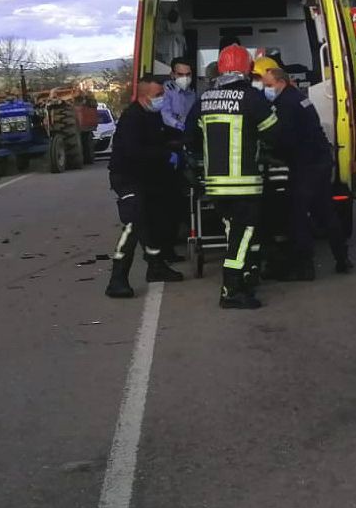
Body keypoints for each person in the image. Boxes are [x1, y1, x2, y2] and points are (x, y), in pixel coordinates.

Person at [185, 41, 281, 310]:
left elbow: (188, 137)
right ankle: (231, 289)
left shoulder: (204, 99)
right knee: (244, 235)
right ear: (247, 69)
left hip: (215, 187)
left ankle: (246, 276)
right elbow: (274, 134)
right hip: (245, 184)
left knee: (235, 235)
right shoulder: (252, 98)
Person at [260, 67, 352, 278]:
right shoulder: (299, 98)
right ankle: (342, 258)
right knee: (325, 211)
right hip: (319, 161)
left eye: (268, 85)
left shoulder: (286, 104)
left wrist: (271, 153)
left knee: (298, 214)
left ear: (281, 82)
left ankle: (304, 267)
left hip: (306, 164)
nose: (266, 89)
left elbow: (286, 138)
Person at [105, 79, 185, 298]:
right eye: (158, 94)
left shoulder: (151, 115)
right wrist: (165, 154)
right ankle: (117, 279)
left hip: (146, 178)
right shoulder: (132, 118)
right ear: (143, 96)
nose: (163, 97)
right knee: (133, 223)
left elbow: (160, 137)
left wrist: (180, 140)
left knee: (154, 220)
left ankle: (156, 265)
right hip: (127, 177)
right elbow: (135, 151)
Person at [159, 57, 197, 263]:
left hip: (185, 142)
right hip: (170, 141)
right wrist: (180, 125)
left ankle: (182, 231)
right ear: (173, 75)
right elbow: (165, 115)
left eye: (188, 75)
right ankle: (167, 245)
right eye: (180, 75)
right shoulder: (167, 91)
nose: (185, 78)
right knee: (169, 197)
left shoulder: (191, 94)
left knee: (185, 193)